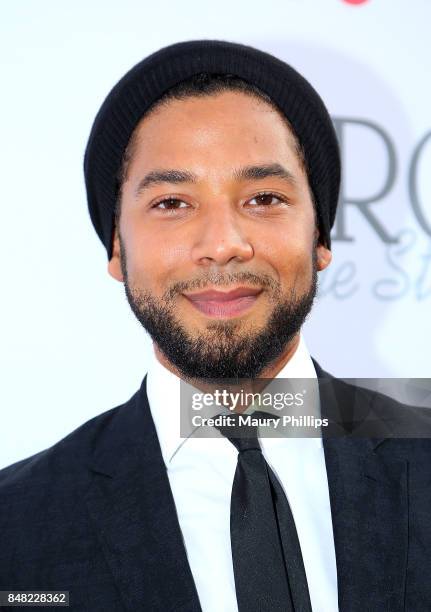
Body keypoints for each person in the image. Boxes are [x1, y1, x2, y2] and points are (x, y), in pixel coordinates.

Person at [1, 40, 430, 612]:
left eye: (264, 197)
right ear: (116, 247)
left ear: (321, 236)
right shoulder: (16, 526)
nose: (224, 244)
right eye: (173, 203)